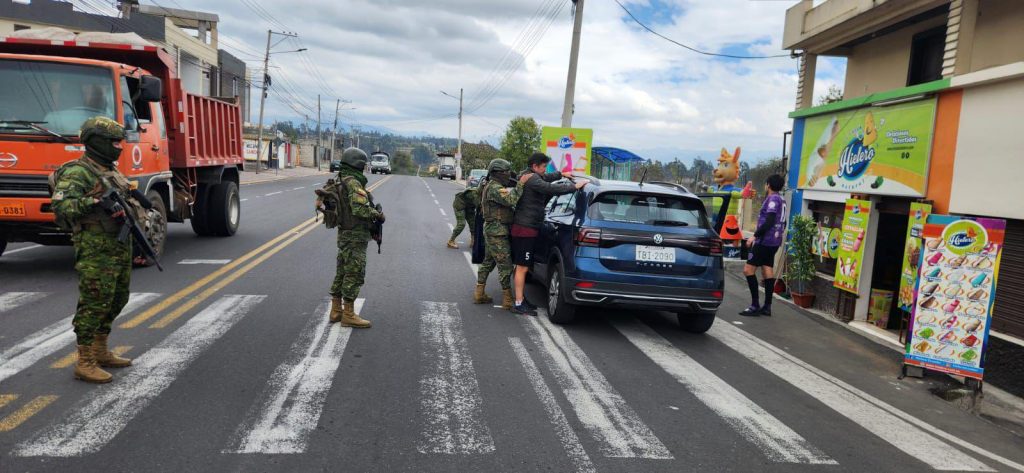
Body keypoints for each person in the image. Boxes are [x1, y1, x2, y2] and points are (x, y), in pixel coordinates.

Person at [51, 116, 142, 383]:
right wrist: (95, 200)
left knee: (117, 298)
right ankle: (85, 360)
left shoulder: (109, 170)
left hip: (117, 245)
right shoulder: (78, 172)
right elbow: (61, 209)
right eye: (113, 142)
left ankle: (101, 350)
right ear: (96, 142)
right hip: (95, 248)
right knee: (95, 302)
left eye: (119, 142)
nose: (119, 146)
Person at [509, 152, 587, 315]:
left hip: (525, 227)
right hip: (525, 228)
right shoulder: (533, 179)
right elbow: (550, 188)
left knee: (522, 266)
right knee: (522, 268)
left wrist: (561, 174)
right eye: (543, 167)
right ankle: (518, 303)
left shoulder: (528, 175)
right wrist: (575, 186)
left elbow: (547, 179)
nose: (545, 170)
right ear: (535, 166)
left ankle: (520, 299)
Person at [326, 147, 383, 328]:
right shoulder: (354, 184)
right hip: (355, 236)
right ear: (357, 164)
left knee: (342, 271)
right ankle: (348, 314)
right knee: (355, 274)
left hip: (344, 234)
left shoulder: (341, 179)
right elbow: (359, 209)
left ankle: (336, 311)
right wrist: (378, 215)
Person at [474, 158, 528, 309]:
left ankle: (479, 293)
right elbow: (511, 200)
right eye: (506, 172)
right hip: (497, 232)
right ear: (498, 173)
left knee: (488, 262)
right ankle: (507, 299)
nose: (508, 175)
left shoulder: (490, 185)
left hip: (494, 230)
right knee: (506, 265)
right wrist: (521, 184)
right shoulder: (495, 188)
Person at [740, 174, 787, 317]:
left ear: (768, 185)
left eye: (766, 184)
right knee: (767, 270)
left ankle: (755, 305)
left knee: (748, 270)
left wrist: (755, 236)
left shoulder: (773, 199)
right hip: (774, 242)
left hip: (764, 241)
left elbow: (770, 221)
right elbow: (782, 223)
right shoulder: (782, 199)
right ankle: (767, 306)